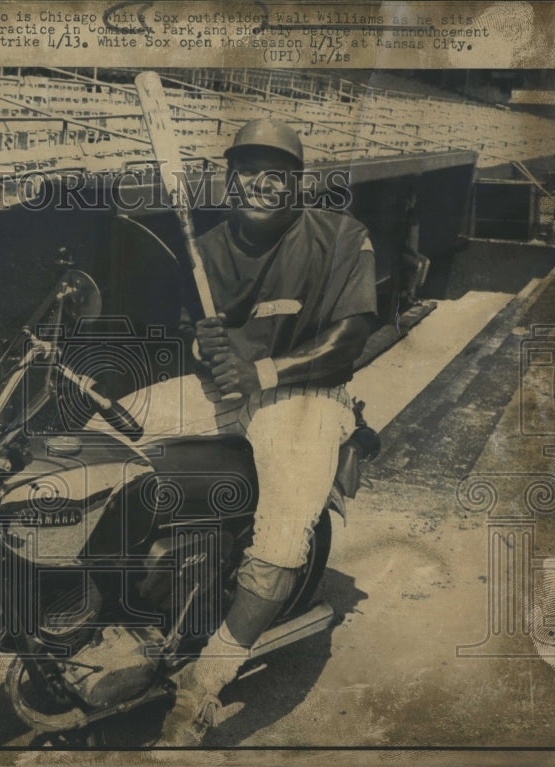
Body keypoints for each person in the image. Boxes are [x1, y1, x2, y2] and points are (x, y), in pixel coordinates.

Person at [141, 118, 379, 745]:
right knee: (109, 429)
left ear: (297, 182)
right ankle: (126, 590)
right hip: (234, 389)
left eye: (278, 172)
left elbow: (349, 343)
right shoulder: (210, 248)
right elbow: (208, 347)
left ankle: (201, 687)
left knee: (279, 545)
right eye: (248, 169)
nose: (262, 184)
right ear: (231, 177)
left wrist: (261, 369)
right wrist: (203, 344)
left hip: (306, 394)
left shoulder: (341, 235)